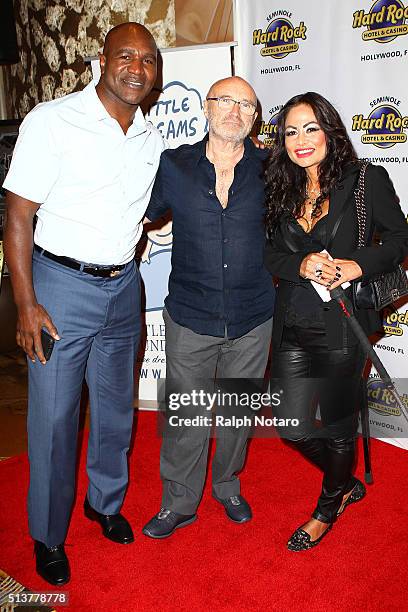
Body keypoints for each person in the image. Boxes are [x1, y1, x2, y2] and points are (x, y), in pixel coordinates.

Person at [3, 23, 165, 584]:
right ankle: (48, 534)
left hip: (125, 289)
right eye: (126, 56)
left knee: (117, 410)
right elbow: (18, 213)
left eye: (147, 59)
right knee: (53, 418)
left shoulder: (150, 135)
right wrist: (26, 303)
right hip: (59, 289)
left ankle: (104, 503)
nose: (137, 68)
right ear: (102, 60)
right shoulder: (52, 121)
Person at [264, 91, 408, 551]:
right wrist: (300, 264)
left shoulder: (365, 180)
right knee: (290, 425)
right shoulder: (279, 186)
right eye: (291, 131)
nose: (301, 140)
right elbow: (269, 254)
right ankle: (344, 479)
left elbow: (401, 238)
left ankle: (327, 508)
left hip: (343, 324)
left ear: (330, 130)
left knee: (339, 423)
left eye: (311, 128)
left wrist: (356, 264)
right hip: (292, 321)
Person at [142, 76, 275, 538]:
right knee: (187, 414)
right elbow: (140, 213)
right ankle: (179, 500)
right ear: (206, 106)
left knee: (238, 413)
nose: (235, 111)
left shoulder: (272, 169)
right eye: (226, 101)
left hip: (252, 316)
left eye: (246, 105)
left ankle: (227, 485)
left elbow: (300, 224)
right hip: (190, 315)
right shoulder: (174, 165)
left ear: (255, 118)